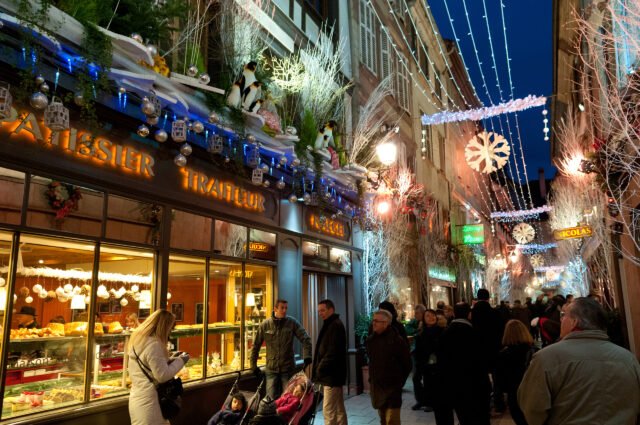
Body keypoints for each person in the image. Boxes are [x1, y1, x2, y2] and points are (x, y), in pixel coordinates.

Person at [519, 297, 640, 425]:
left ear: (574, 322)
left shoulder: (546, 358)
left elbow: (532, 408)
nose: (560, 320)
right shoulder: (628, 359)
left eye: (564, 316)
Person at [128, 309, 189, 425]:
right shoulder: (154, 345)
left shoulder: (139, 340)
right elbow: (162, 376)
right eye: (170, 328)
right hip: (151, 403)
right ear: (164, 326)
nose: (170, 332)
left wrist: (170, 360)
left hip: (138, 399)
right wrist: (181, 361)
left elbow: (150, 366)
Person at [434, 302, 490, 425]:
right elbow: (481, 361)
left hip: (452, 383)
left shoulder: (445, 334)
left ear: (454, 313)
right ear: (469, 314)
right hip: (473, 384)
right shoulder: (474, 333)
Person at [250, 299, 312, 399]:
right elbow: (256, 346)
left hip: (288, 369)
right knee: (270, 399)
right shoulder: (265, 325)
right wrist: (253, 366)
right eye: (282, 308)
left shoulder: (292, 323)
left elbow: (306, 339)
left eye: (286, 308)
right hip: (271, 369)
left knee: (288, 398)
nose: (284, 310)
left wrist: (307, 356)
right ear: (275, 309)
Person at [366, 309, 411, 425]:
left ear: (386, 323)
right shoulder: (371, 340)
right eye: (373, 320)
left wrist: (398, 383)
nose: (373, 323)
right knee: (382, 419)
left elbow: (407, 364)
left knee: (392, 420)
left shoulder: (397, 341)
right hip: (378, 388)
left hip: (392, 389)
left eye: (377, 321)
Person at [312, 299, 347, 425]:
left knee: (328, 410)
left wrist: (320, 368)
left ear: (331, 310)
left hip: (331, 375)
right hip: (332, 375)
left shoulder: (334, 325)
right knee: (338, 407)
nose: (320, 313)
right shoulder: (331, 324)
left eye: (323, 310)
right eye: (319, 311)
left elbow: (332, 352)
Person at [471, 288, 505, 413]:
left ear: (477, 297)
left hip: (477, 350)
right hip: (494, 349)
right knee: (497, 377)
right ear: (488, 298)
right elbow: (501, 330)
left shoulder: (472, 313)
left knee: (480, 377)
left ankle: (483, 404)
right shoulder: (495, 313)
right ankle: (498, 403)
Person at [495, 320, 535, 425]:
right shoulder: (534, 351)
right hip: (533, 392)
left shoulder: (503, 355)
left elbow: (500, 380)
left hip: (515, 394)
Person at [413, 308, 442, 412]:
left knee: (431, 382)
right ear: (424, 319)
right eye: (428, 316)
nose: (431, 317)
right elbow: (419, 349)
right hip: (423, 362)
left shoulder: (441, 331)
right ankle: (421, 400)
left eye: (433, 315)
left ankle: (431, 402)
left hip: (436, 363)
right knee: (417, 379)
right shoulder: (421, 333)